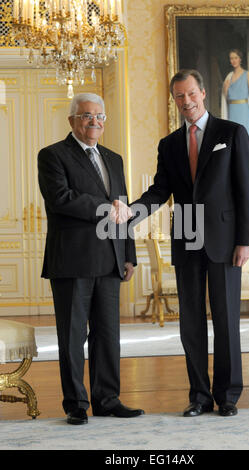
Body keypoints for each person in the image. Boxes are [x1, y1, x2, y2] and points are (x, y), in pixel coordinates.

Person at [122, 69, 249, 417]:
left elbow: (245, 189)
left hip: (226, 243)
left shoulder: (232, 133)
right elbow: (159, 191)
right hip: (187, 239)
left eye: (191, 94)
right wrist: (130, 213)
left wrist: (245, 241)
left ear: (203, 93)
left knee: (226, 320)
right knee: (190, 323)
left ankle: (227, 395)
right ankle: (199, 396)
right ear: (174, 100)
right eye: (179, 96)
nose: (186, 102)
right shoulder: (168, 145)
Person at [38, 92, 144, 425]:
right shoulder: (52, 155)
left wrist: (128, 254)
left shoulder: (114, 158)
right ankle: (76, 404)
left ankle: (107, 399)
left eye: (99, 116)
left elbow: (123, 208)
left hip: (110, 260)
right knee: (72, 336)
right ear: (72, 120)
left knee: (108, 335)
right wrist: (105, 209)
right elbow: (61, 199)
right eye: (86, 116)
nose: (94, 121)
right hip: (72, 260)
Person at [222, 49, 249, 221]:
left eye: (236, 58)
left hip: (244, 114)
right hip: (232, 112)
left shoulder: (247, 75)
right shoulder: (228, 78)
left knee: (248, 155)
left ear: (240, 59)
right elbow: (225, 97)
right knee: (233, 155)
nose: (233, 60)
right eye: (231, 58)